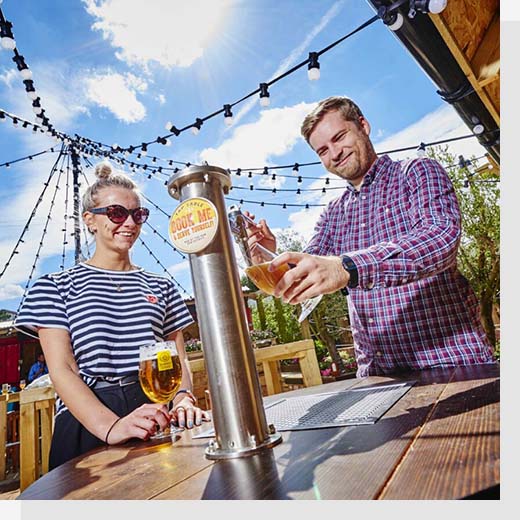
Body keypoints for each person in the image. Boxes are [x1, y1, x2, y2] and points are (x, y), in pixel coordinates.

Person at [246, 95, 495, 377]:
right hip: (379, 375)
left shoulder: (416, 172)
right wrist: (271, 259)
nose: (335, 153)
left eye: (339, 137)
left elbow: (440, 239)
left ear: (363, 126)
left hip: (451, 363)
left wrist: (348, 267)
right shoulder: (333, 214)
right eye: (323, 151)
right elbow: (309, 275)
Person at [15, 161, 210, 469]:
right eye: (117, 213)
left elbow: (178, 357)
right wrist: (110, 426)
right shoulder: (54, 287)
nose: (129, 223)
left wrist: (184, 397)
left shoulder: (161, 285)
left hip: (153, 410)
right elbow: (63, 369)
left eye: (137, 214)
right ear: (90, 220)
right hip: (87, 416)